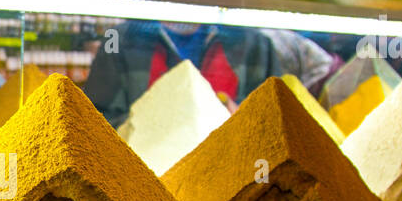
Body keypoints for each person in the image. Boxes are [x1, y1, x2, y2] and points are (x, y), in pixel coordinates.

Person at [81, 21, 335, 127]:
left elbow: (277, 130)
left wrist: (243, 122)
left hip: (231, 192)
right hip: (143, 190)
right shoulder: (123, 39)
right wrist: (159, 118)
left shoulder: (255, 44)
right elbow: (96, 126)